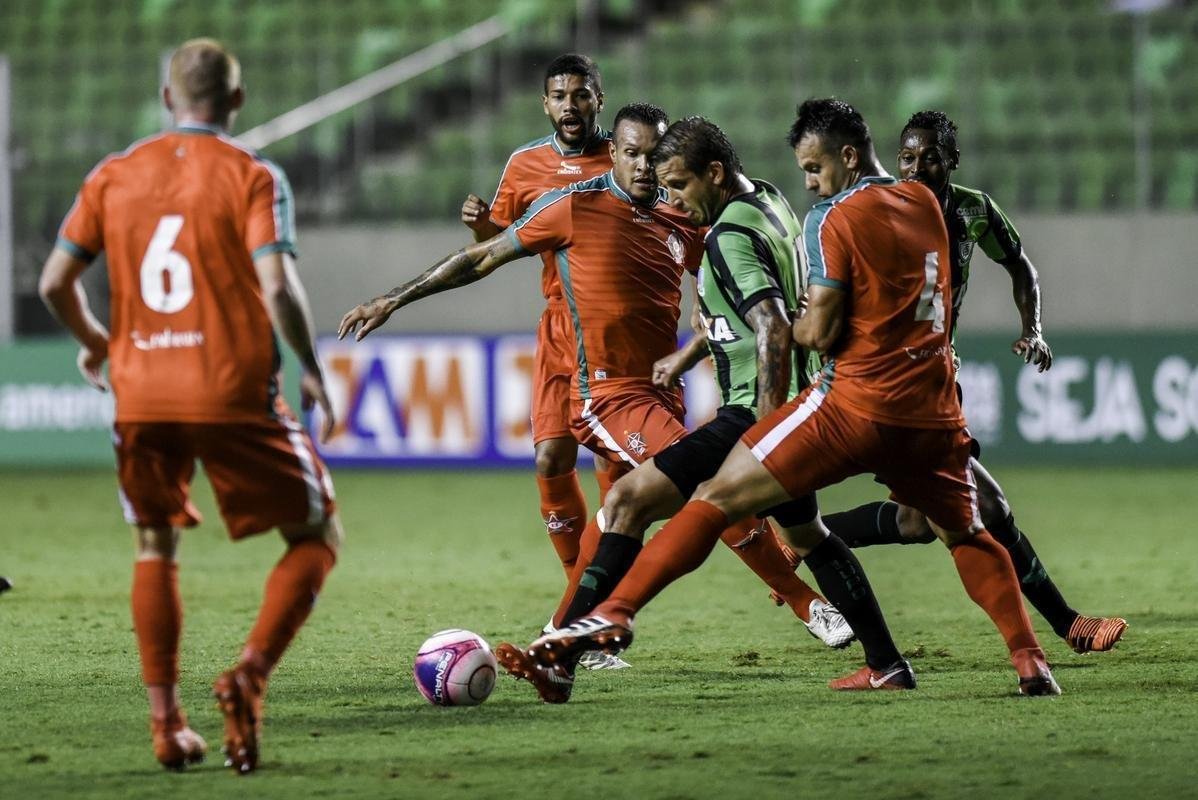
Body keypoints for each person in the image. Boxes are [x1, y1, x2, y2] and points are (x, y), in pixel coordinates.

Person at [529, 98, 1063, 697]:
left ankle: (603, 619)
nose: (807, 182)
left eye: (814, 168)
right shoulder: (919, 205)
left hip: (843, 404)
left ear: (848, 156)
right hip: (931, 405)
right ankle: (1018, 660)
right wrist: (695, 352)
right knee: (955, 531)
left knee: (690, 501)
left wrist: (782, 373)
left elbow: (797, 328)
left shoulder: (820, 219)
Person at [339, 103, 832, 669]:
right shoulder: (574, 206)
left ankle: (563, 632)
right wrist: (394, 298)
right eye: (632, 154)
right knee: (696, 487)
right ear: (613, 152)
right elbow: (480, 259)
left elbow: (717, 287)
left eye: (654, 155)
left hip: (660, 387)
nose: (645, 167)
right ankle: (805, 602)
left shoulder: (686, 215)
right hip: (606, 393)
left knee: (625, 510)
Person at [496, 117, 916, 703]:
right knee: (809, 535)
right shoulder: (771, 201)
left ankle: (566, 647)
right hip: (803, 404)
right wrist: (698, 350)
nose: (672, 200)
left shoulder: (727, 236)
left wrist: (766, 434)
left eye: (679, 185)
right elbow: (761, 311)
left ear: (714, 174)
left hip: (755, 413)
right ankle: (887, 664)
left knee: (628, 501)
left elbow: (769, 326)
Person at [38, 38, 343, 773]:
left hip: (139, 391)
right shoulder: (252, 174)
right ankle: (250, 673)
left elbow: (55, 282)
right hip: (230, 386)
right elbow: (277, 287)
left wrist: (97, 344)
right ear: (236, 101)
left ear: (166, 97)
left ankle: (167, 725)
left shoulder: (112, 174)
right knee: (316, 533)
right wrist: (309, 364)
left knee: (154, 544)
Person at [820, 110, 1127, 654]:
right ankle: (1065, 626)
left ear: (951, 161)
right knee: (988, 507)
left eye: (930, 157)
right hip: (885, 383)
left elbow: (1022, 268)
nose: (917, 168)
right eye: (908, 157)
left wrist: (1032, 329)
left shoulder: (972, 209)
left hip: (932, 379)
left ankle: (807, 538)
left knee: (918, 521)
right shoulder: (876, 209)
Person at [460, 54, 613, 583]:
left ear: (599, 98)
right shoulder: (524, 165)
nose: (570, 106)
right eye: (559, 96)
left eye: (581, 94)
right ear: (544, 104)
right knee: (550, 459)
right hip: (560, 327)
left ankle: (594, 610)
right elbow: (498, 244)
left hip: (618, 334)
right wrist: (483, 226)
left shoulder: (629, 157)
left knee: (619, 483)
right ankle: (579, 600)